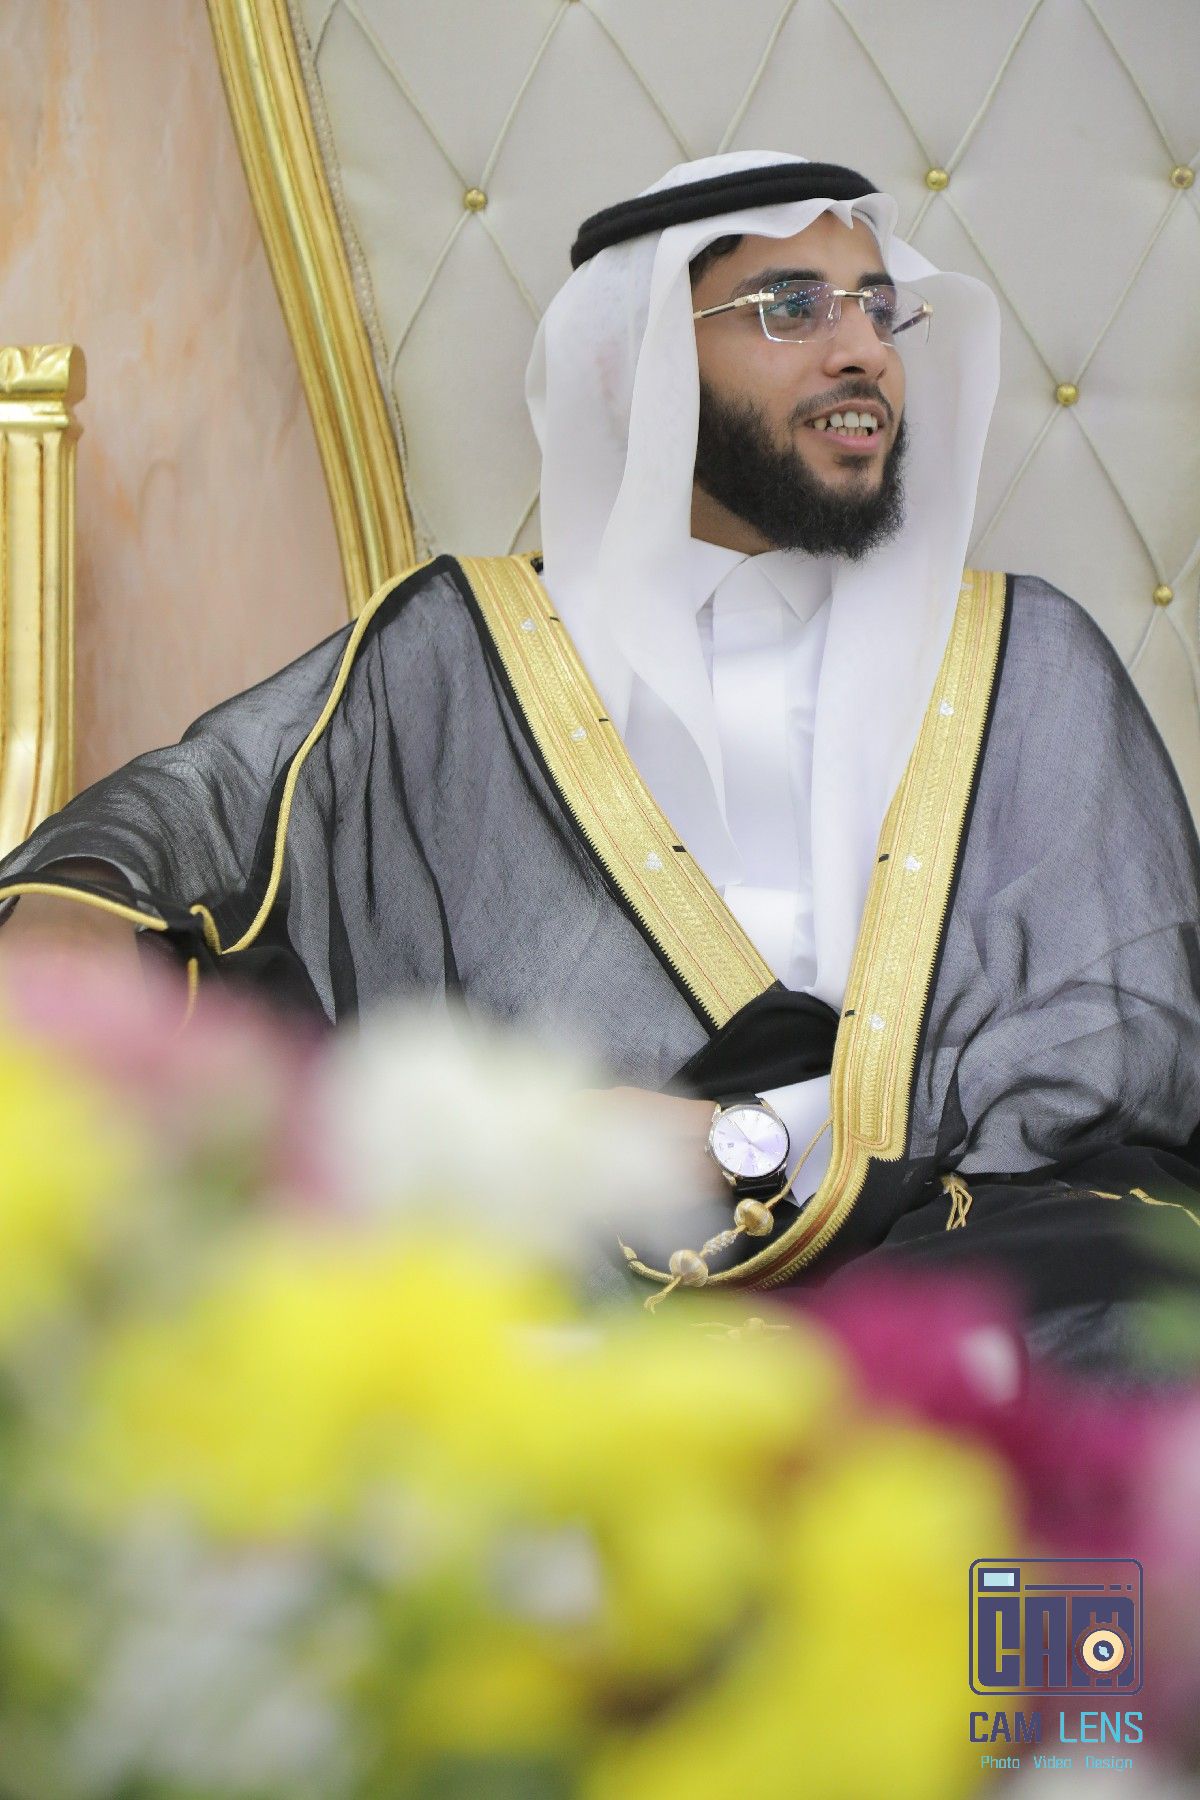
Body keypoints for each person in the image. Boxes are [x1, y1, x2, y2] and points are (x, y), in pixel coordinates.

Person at [3, 151, 1200, 1376]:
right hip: (566, 1246)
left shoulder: (1021, 657)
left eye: (879, 308)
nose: (864, 352)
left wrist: (753, 1140)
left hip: (971, 1246)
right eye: (793, 306)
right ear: (637, 369)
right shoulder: (467, 645)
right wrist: (72, 905)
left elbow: (1118, 1047)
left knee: (1123, 1297)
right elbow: (207, 808)